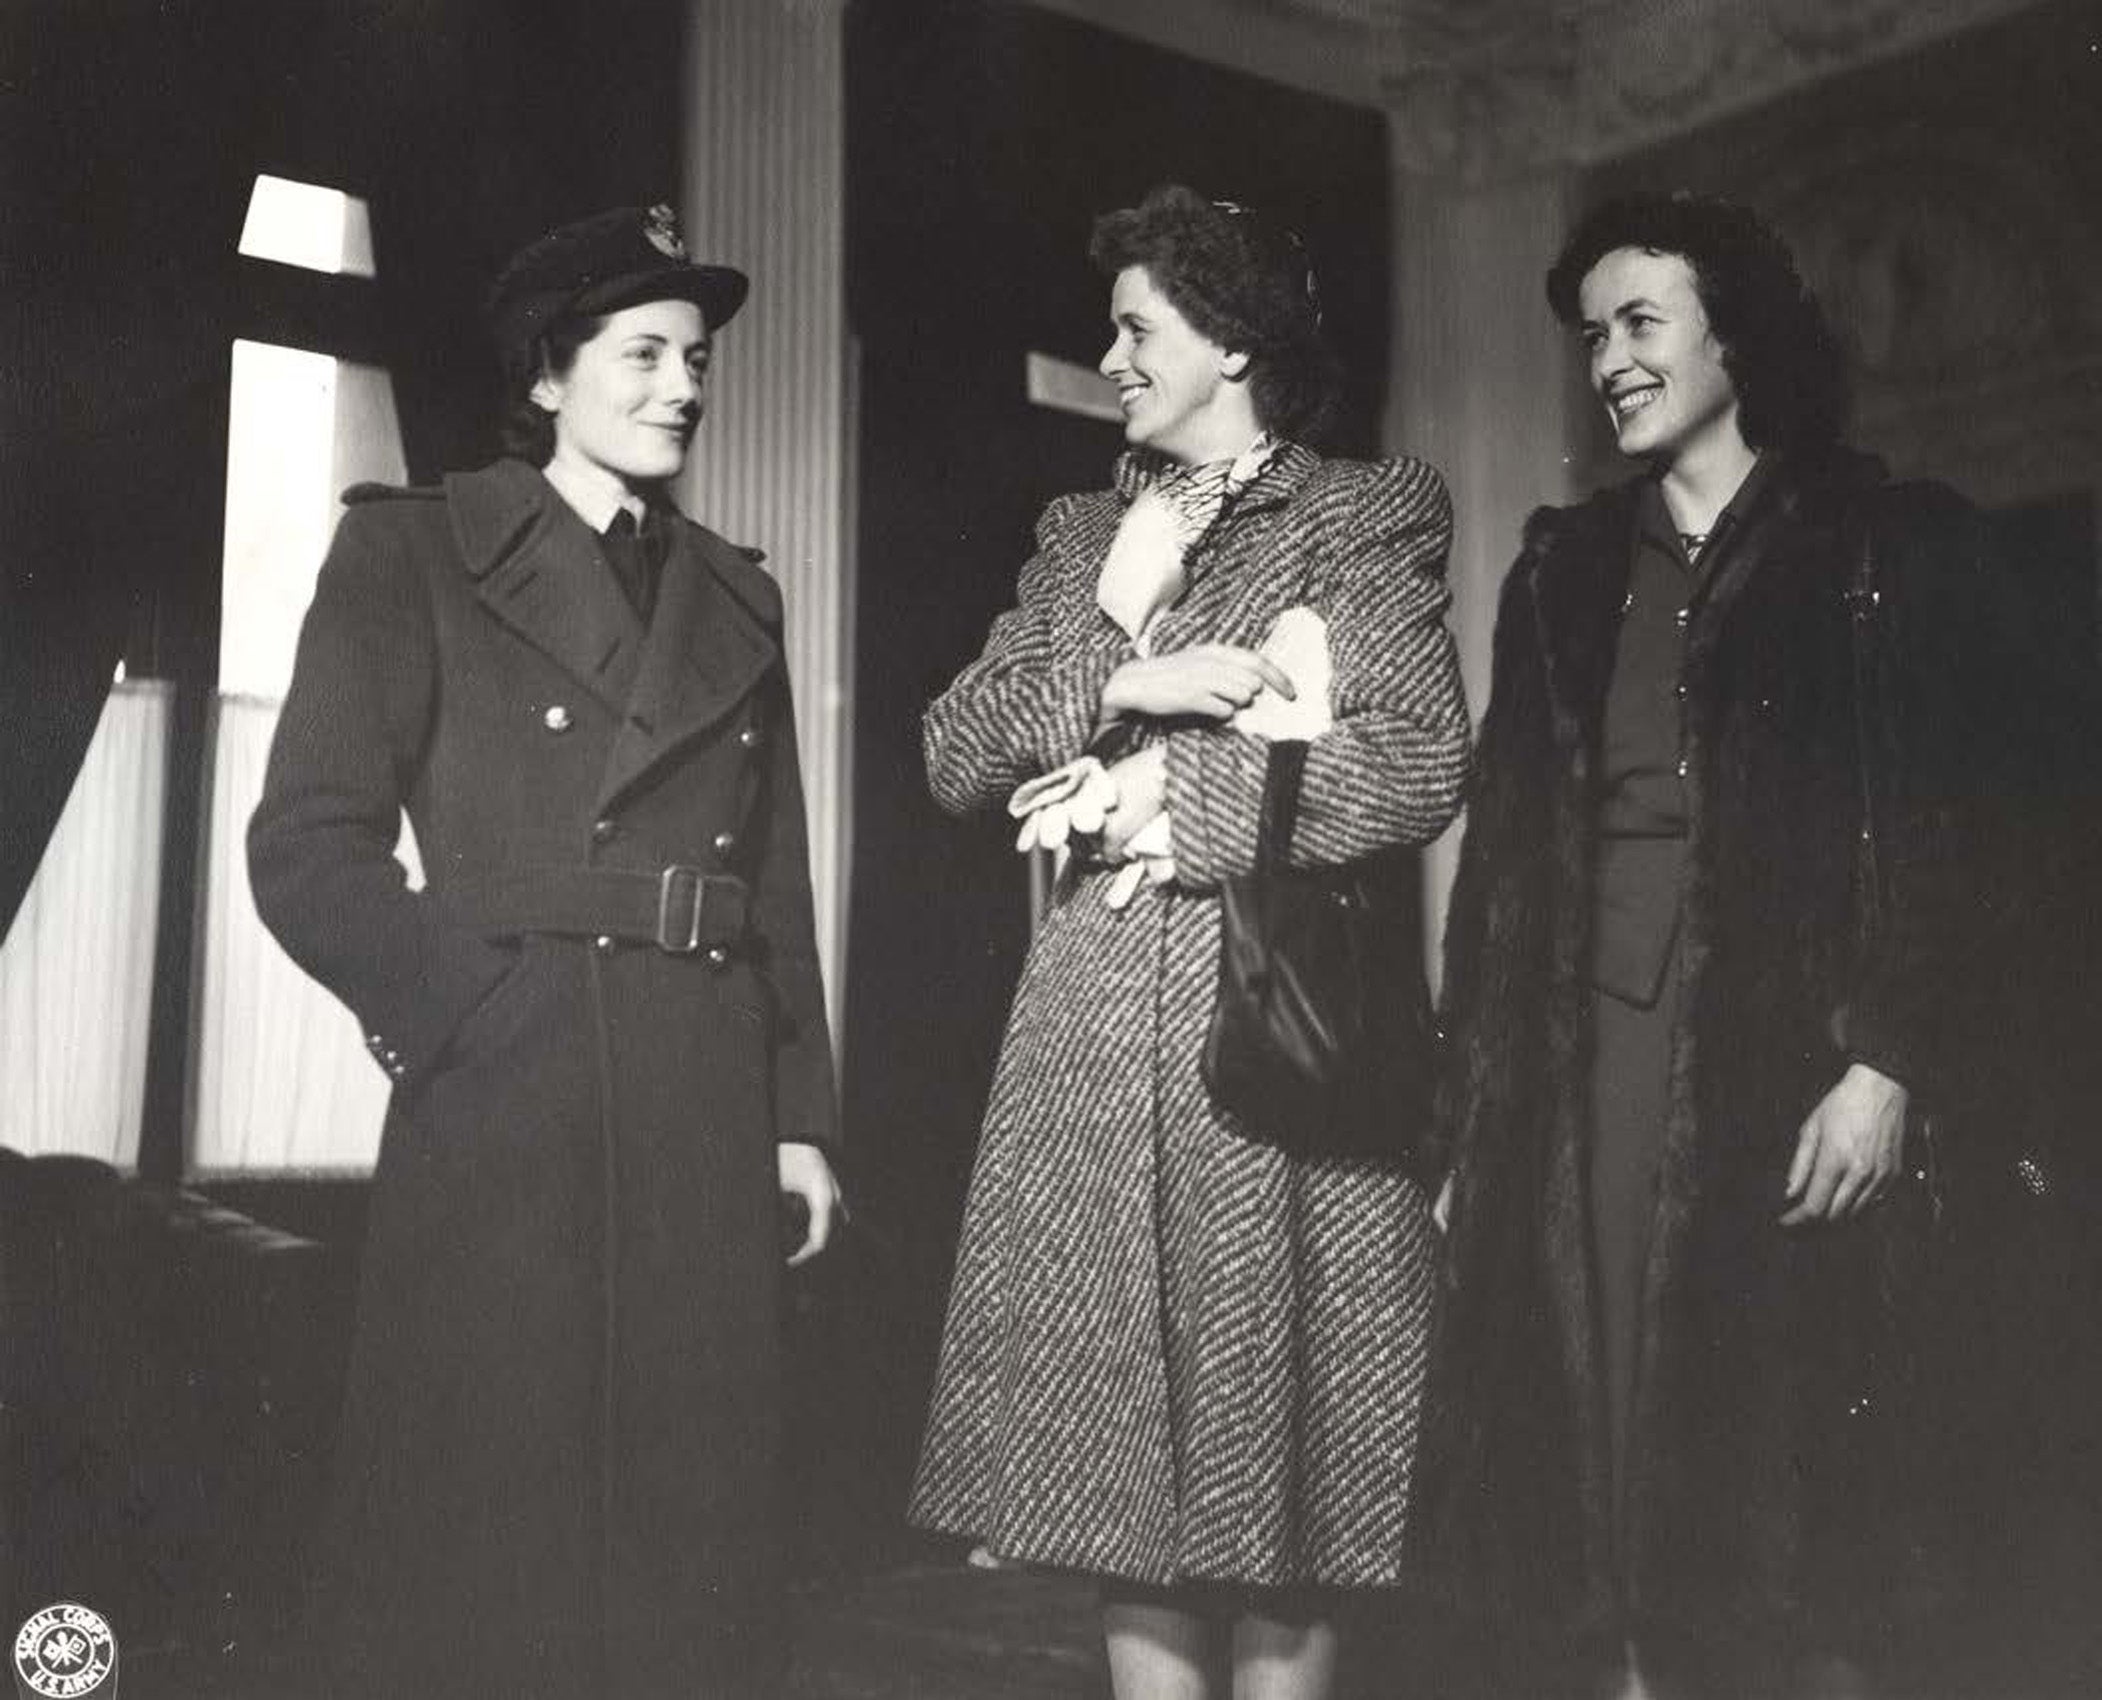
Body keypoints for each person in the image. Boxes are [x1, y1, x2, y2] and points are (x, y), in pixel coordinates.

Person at [1414, 190, 2028, 1699]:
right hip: (1586, 1072)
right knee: (1591, 1455)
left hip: (1793, 1066)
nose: (1607, 361)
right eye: (1589, 336)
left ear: (1731, 339)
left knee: (1796, 1508)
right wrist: (1471, 1117)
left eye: (1640, 323)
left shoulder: (1870, 547)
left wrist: (1886, 1059)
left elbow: (1952, 832)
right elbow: (1499, 864)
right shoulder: (1560, 569)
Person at [248, 204, 843, 1700]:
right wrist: (465, 1002)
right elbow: (306, 844)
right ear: (546, 374)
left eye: (694, 358)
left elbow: (776, 887)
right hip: (508, 1094)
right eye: (640, 353)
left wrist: (797, 1117)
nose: (682, 386)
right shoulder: (417, 552)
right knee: (484, 1526)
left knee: (685, 1533)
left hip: (704, 1101)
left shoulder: (738, 591)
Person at [908, 184, 1471, 1700]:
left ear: (1229, 344)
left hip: (1272, 1030)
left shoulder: (1365, 509)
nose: (1111, 358)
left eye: (1135, 327)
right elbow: (960, 752)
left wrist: (1174, 789)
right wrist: (1123, 644)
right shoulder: (1083, 529)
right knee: (1121, 1484)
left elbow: (1416, 758)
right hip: (1093, 1035)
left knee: (1284, 1475)